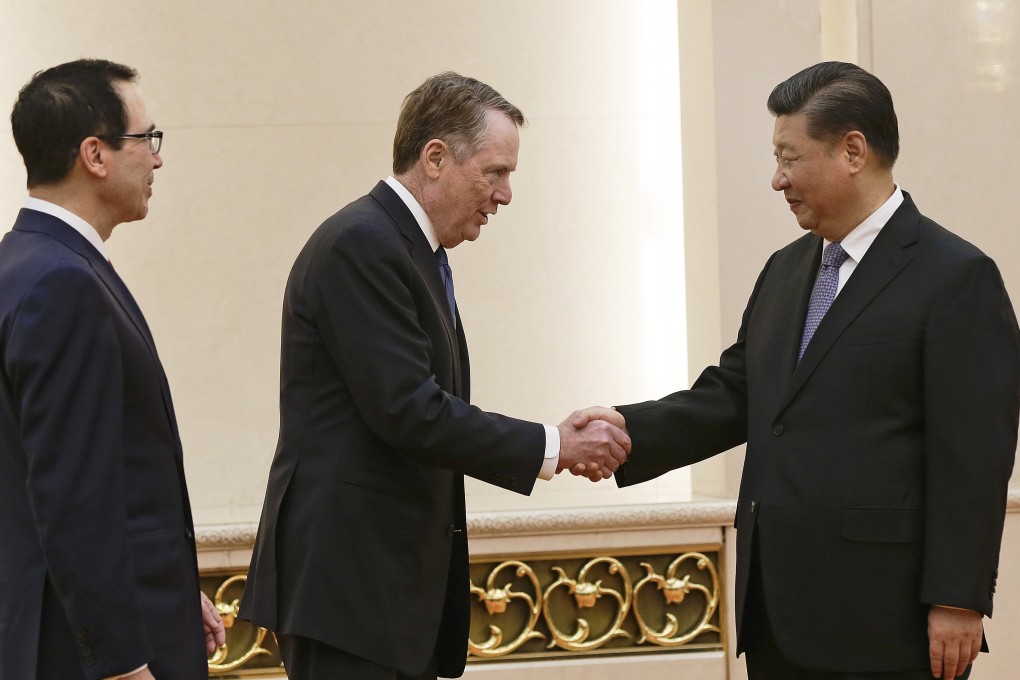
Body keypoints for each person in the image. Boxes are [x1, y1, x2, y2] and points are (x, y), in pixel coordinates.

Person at [579, 62, 1019, 680]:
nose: (776, 179)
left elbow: (974, 454)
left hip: (885, 616)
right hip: (776, 608)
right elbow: (737, 395)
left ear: (853, 151)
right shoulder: (785, 271)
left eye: (789, 157)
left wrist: (958, 597)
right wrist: (625, 430)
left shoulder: (956, 277)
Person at [238, 71, 630, 680]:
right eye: (495, 172)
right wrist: (555, 446)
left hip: (384, 595)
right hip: (348, 591)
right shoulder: (362, 244)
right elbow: (409, 412)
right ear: (437, 157)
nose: (504, 195)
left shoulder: (412, 252)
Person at [0, 59, 225, 680]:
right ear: (94, 154)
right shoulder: (62, 283)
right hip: (88, 655)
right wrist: (122, 663)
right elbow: (74, 498)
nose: (157, 160)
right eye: (147, 140)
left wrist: (174, 597)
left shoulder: (23, 264)